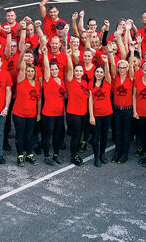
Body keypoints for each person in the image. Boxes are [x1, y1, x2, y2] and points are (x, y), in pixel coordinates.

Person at [39, 35, 68, 165]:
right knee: (47, 136)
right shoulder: (47, 79)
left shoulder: (61, 80)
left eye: (56, 69)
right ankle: (46, 156)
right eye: (52, 69)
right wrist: (45, 55)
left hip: (59, 114)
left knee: (57, 136)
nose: (54, 71)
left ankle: (56, 155)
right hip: (48, 114)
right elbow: (45, 66)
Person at [11, 54, 41, 166]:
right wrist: (24, 58)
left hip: (32, 114)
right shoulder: (21, 80)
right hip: (19, 114)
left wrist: (38, 113)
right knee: (20, 135)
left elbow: (39, 100)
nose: (30, 73)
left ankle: (29, 154)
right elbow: (22, 68)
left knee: (29, 135)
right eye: (28, 71)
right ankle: (20, 156)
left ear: (35, 73)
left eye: (32, 71)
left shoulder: (38, 84)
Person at [87, 60, 114, 167]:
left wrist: (106, 62)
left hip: (107, 114)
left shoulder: (107, 82)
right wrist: (91, 116)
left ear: (104, 74)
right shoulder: (91, 84)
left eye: (101, 72)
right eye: (97, 71)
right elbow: (90, 101)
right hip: (96, 115)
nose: (99, 74)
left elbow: (108, 72)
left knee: (104, 136)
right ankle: (96, 157)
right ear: (94, 73)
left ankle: (102, 154)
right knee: (95, 137)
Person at [64, 63, 90, 166]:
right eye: (76, 71)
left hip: (83, 113)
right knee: (76, 136)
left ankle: (75, 150)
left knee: (80, 135)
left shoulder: (84, 82)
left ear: (83, 73)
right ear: (73, 72)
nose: (78, 73)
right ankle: (73, 155)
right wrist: (69, 56)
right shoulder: (71, 81)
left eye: (80, 71)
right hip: (73, 114)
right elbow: (69, 68)